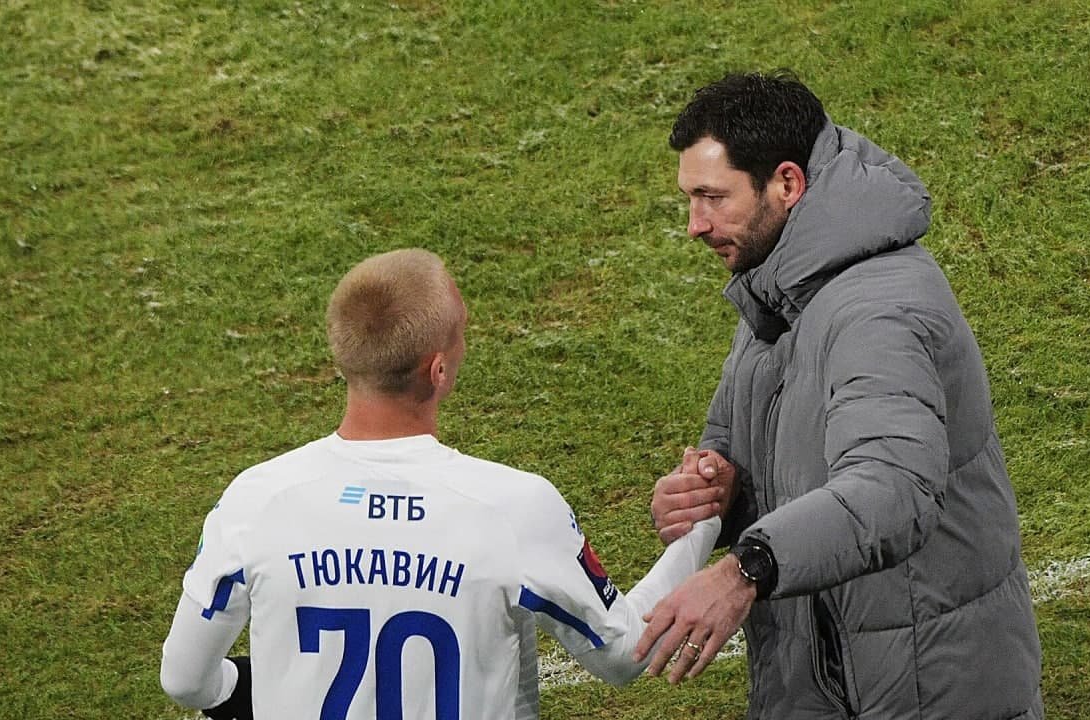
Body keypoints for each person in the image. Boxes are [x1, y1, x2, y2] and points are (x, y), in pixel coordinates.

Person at [633, 71, 1045, 719]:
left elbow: (892, 490)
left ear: (787, 184)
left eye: (712, 197)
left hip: (919, 692)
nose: (695, 225)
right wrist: (713, 496)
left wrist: (745, 570)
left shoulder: (878, 310)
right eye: (690, 199)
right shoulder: (779, 293)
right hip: (832, 681)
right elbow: (738, 451)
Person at [159, 248, 722, 720]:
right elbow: (623, 652)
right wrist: (705, 522)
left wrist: (232, 691)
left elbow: (184, 679)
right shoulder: (514, 507)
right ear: (439, 371)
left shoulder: (258, 498)